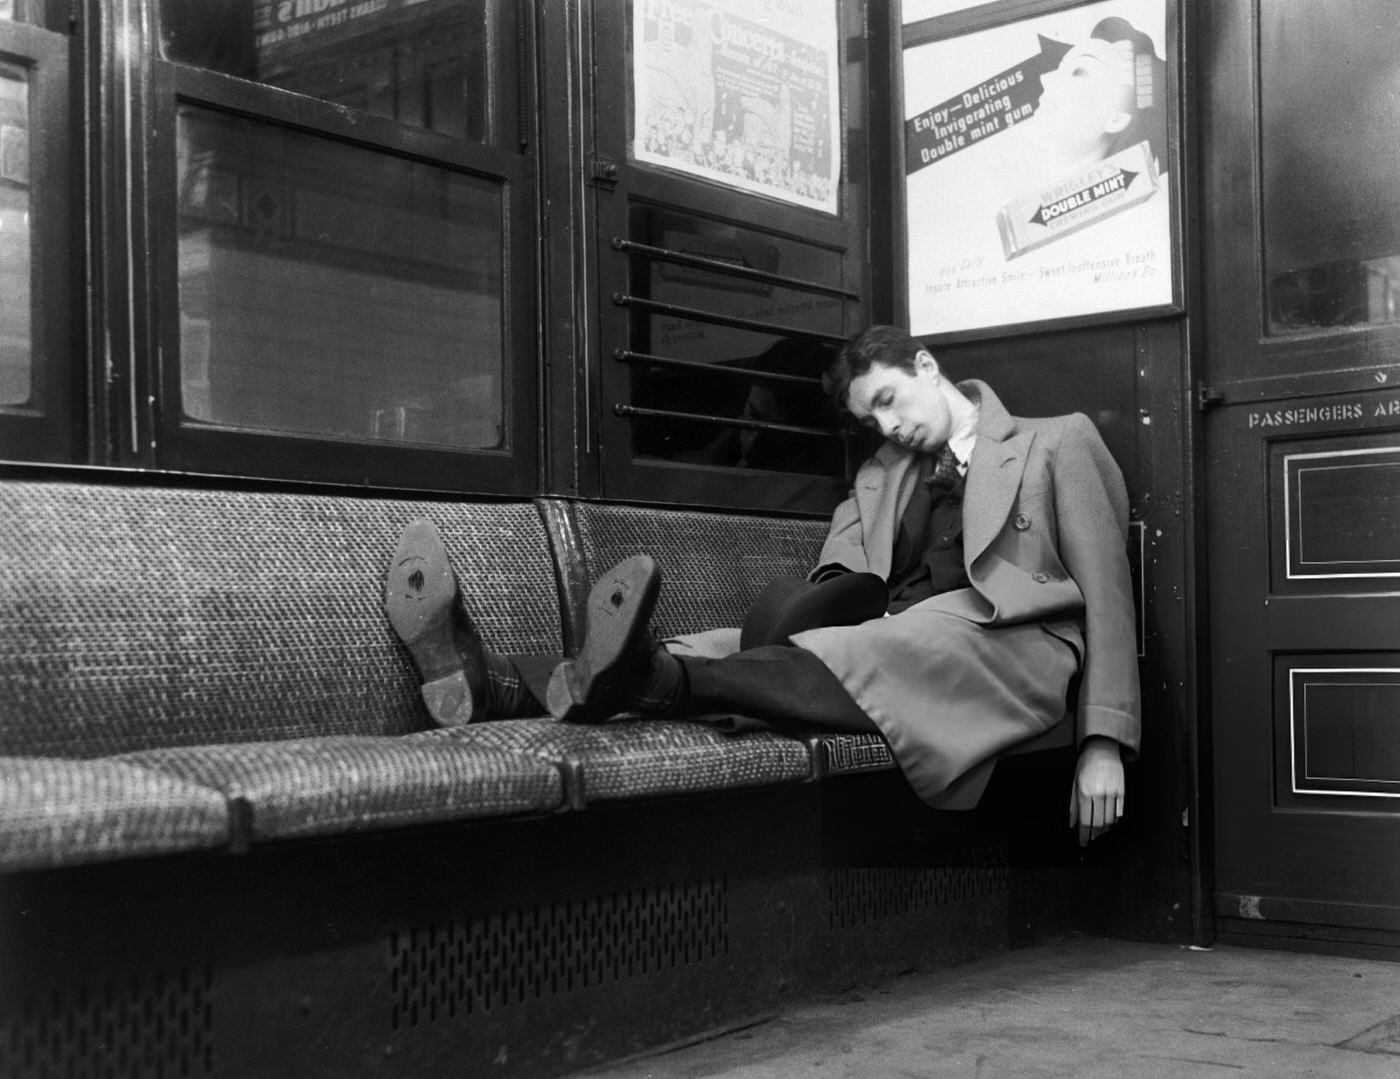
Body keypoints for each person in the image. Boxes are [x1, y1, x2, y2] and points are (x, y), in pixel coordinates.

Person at [384, 325, 1139, 845]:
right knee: (721, 641)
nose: (888, 428)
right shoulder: (879, 477)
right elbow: (837, 583)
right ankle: (496, 686)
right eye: (869, 420)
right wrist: (802, 609)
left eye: (887, 400)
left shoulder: (1055, 441)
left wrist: (1102, 742)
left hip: (1008, 648)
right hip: (894, 634)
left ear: (927, 368)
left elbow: (1108, 592)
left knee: (899, 639)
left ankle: (646, 677)